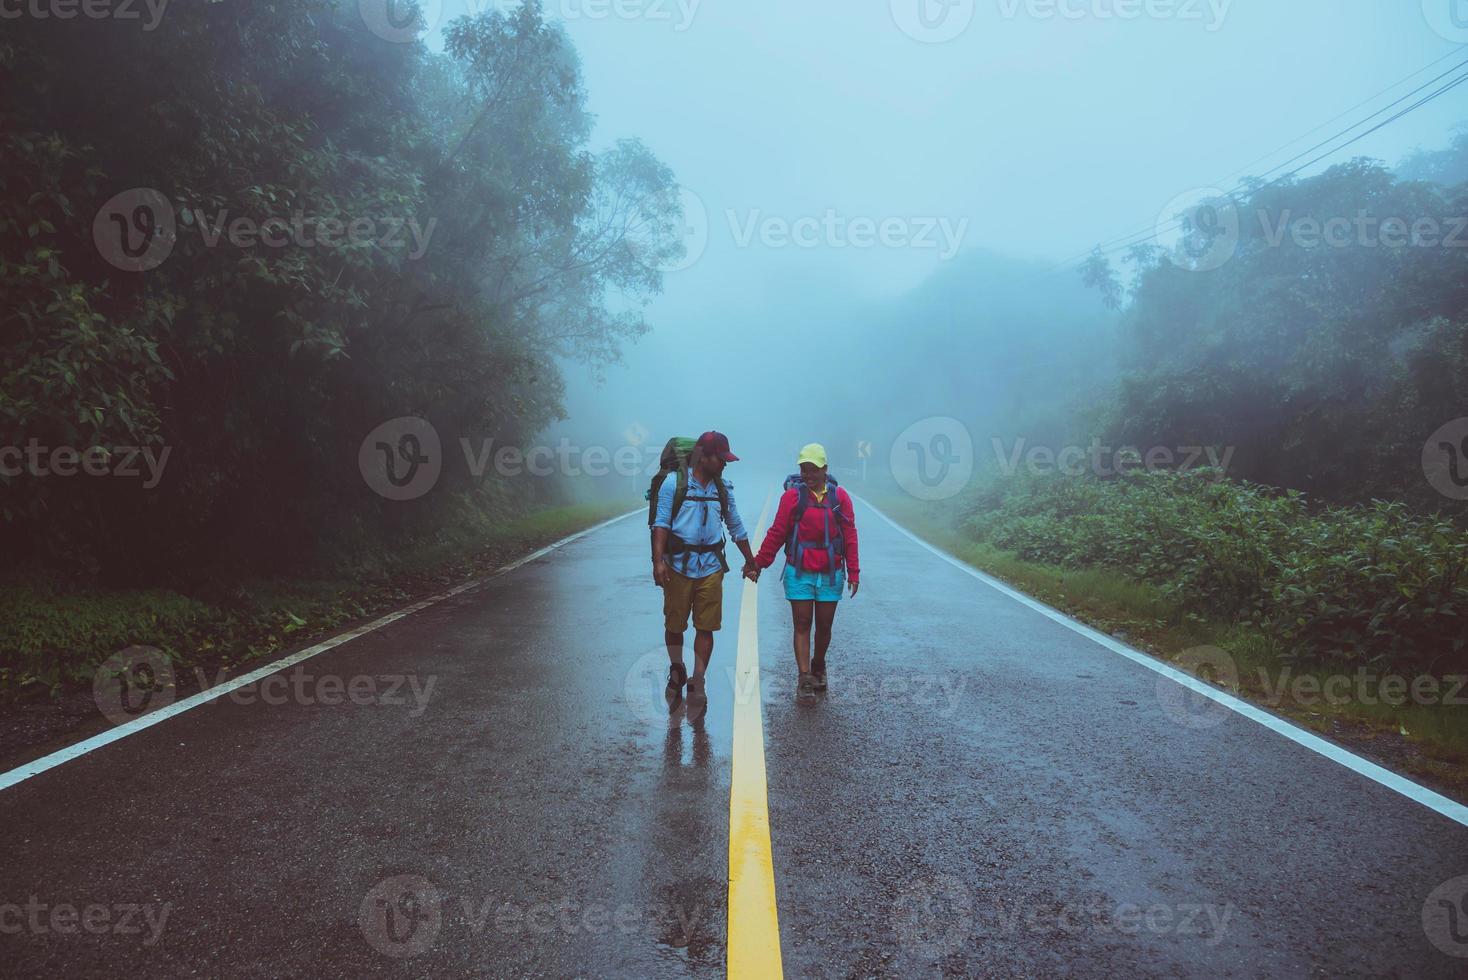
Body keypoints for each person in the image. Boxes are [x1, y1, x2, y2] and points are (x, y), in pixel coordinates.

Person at [651, 430, 758, 724]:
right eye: (721, 459)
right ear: (703, 456)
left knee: (706, 626)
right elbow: (660, 524)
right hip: (677, 566)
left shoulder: (724, 489)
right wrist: (657, 561)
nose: (725, 464)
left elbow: (735, 525)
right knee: (675, 625)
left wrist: (752, 561)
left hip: (711, 566)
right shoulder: (674, 484)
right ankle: (677, 669)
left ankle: (698, 680)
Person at [751, 443, 860, 704]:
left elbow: (850, 534)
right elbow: (777, 532)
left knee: (824, 626)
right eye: (804, 469)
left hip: (831, 573)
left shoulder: (839, 497)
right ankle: (804, 678)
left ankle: (818, 664)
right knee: (802, 624)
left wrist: (854, 571)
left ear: (825, 469)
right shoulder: (792, 497)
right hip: (799, 570)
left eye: (813, 469)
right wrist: (759, 563)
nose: (808, 474)